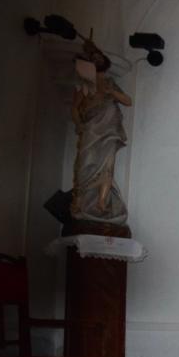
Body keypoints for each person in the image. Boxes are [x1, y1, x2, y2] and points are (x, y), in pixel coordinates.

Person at [70, 40, 132, 225]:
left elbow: (128, 101)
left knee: (107, 167)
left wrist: (112, 92)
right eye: (93, 58)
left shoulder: (110, 83)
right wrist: (79, 124)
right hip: (91, 130)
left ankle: (102, 202)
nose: (97, 61)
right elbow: (75, 108)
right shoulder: (84, 84)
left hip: (109, 129)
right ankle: (78, 202)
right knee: (83, 166)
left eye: (99, 58)